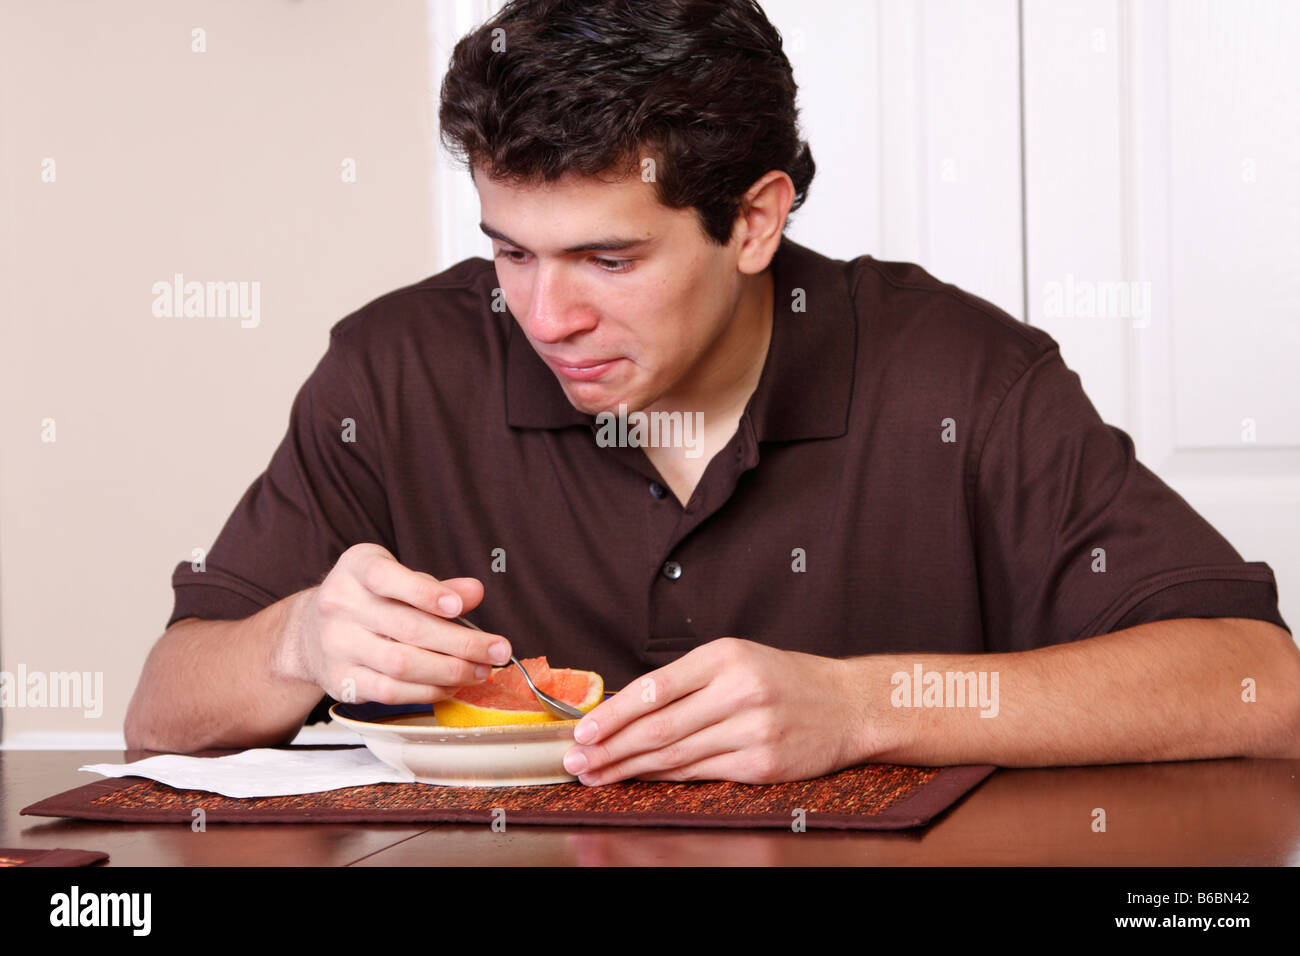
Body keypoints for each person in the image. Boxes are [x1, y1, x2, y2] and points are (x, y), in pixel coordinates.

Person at [125, 0, 1299, 779]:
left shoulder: (961, 374)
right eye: (511, 250)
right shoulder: (393, 368)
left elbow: (1257, 684)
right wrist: (297, 644)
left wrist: (861, 707)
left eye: (608, 259)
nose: (544, 316)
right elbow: (159, 709)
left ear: (754, 219)